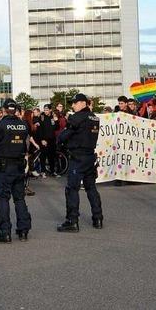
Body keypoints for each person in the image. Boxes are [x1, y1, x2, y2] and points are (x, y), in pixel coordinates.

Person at [0, 99, 32, 243]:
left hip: (3, 167)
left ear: (3, 110)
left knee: (3, 198)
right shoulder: (23, 125)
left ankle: (5, 232)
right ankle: (23, 230)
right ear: (15, 110)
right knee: (19, 198)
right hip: (19, 166)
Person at [56, 93, 103, 232]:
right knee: (91, 188)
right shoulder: (95, 118)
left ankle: (72, 220)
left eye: (75, 103)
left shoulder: (76, 118)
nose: (73, 105)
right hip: (90, 157)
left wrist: (61, 139)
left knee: (72, 189)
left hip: (77, 157)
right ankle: (98, 218)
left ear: (83, 103)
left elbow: (65, 135)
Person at [36, 104, 59, 177]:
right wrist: (42, 139)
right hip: (43, 140)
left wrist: (56, 121)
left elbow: (56, 128)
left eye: (47, 110)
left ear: (50, 110)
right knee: (43, 156)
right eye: (45, 109)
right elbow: (39, 130)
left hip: (52, 140)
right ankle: (43, 171)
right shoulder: (41, 117)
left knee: (51, 157)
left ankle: (52, 171)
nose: (45, 111)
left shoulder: (53, 117)